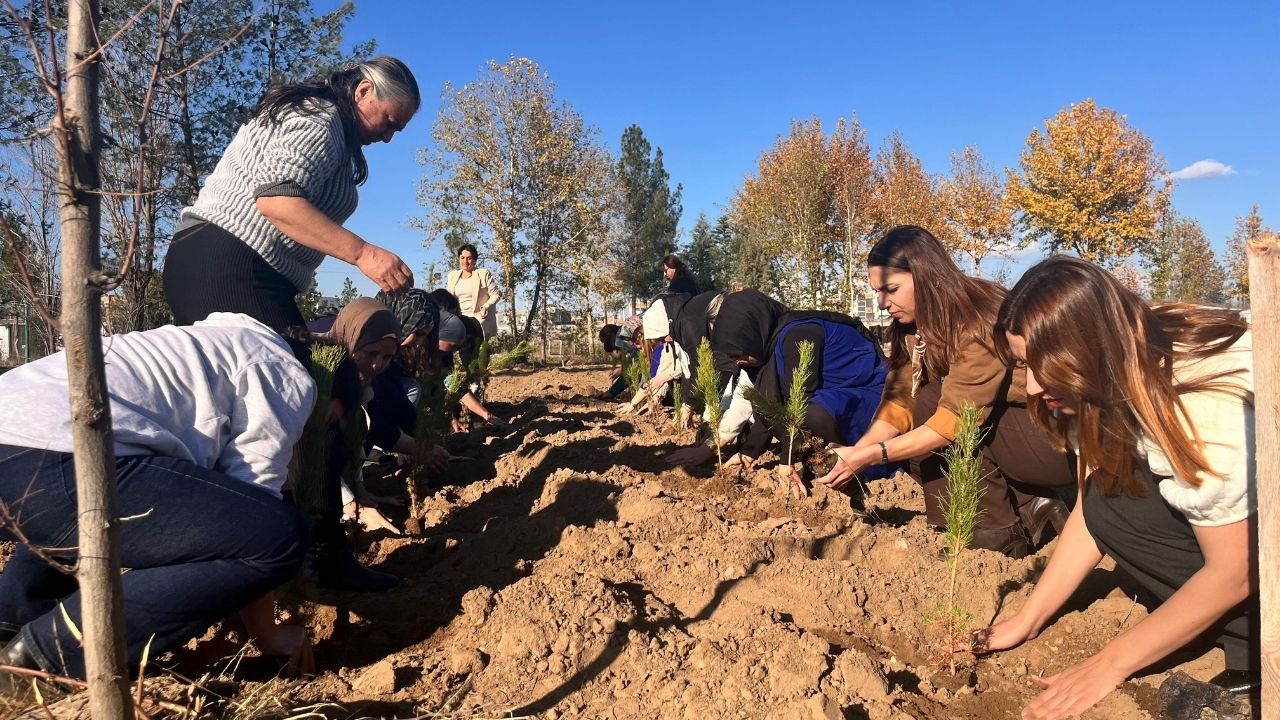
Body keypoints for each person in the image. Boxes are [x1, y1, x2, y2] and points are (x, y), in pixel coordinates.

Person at [979, 255, 1255, 720]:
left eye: (1043, 364)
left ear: (1089, 347)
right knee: (1110, 501)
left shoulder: (1200, 408)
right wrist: (1027, 619)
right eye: (1024, 364)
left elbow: (1237, 570)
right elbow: (1093, 510)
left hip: (1260, 553)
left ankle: (1252, 646)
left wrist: (1107, 665)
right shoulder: (1113, 371)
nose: (1031, 385)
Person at [0, 314, 315, 691]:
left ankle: (11, 624)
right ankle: (49, 655)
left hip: (20, 441)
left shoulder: (207, 345)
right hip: (59, 458)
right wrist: (268, 634)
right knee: (279, 536)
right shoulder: (283, 372)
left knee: (78, 508)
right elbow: (254, 500)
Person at [816, 226, 1074, 557]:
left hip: (1058, 444)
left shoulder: (978, 318)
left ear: (924, 276)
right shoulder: (915, 328)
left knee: (935, 410)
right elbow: (900, 399)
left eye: (890, 289)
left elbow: (954, 420)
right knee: (922, 414)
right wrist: (858, 452)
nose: (882, 303)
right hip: (1023, 437)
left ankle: (993, 531)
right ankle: (1033, 505)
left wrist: (870, 455)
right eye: (877, 292)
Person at [164, 57, 420, 341]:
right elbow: (276, 199)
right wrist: (364, 254)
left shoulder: (333, 130)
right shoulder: (320, 118)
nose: (387, 138)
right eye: (389, 122)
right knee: (293, 378)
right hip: (231, 262)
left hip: (233, 265)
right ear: (363, 91)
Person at [712, 290, 888, 497]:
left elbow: (799, 403)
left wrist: (787, 461)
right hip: (835, 399)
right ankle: (826, 463)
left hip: (871, 400)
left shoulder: (798, 336)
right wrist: (749, 453)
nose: (737, 361)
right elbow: (769, 406)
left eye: (740, 353)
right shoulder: (770, 344)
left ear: (753, 332)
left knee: (814, 415)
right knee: (784, 411)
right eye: (732, 356)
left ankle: (859, 472)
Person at [447, 243, 501, 338]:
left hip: (478, 320)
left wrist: (486, 306)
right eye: (462, 258)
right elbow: (448, 298)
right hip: (458, 321)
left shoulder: (483, 274)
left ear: (474, 260)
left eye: (469, 258)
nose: (465, 261)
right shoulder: (452, 276)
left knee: (475, 350)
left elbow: (496, 294)